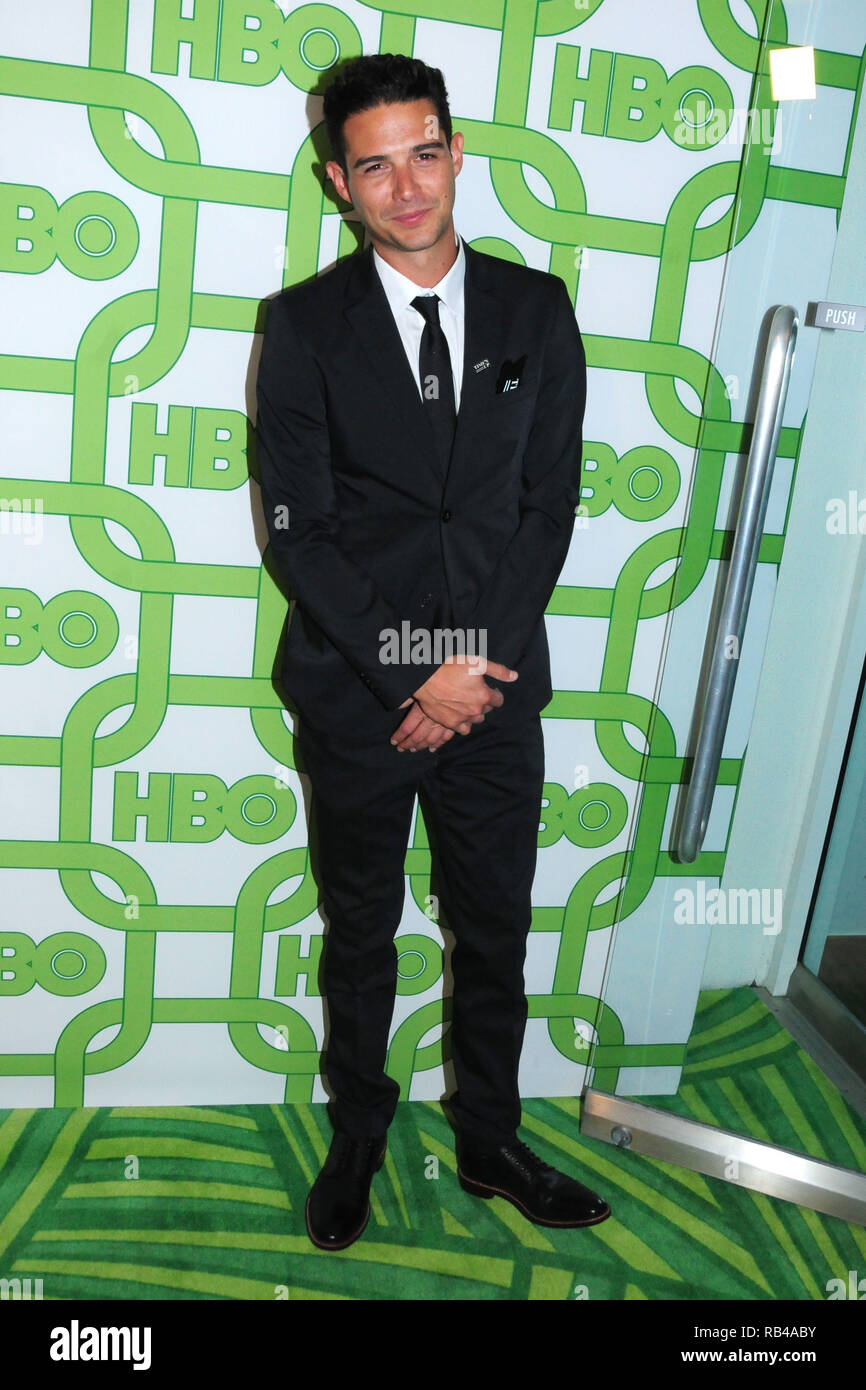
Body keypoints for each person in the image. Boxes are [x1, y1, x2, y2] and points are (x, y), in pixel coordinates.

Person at [255, 52, 610, 1251]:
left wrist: (469, 676)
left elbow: (543, 510)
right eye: (373, 165)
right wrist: (417, 673)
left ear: (456, 153)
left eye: (422, 151)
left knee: (494, 925)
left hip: (495, 690)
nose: (405, 186)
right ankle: (359, 1128)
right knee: (359, 928)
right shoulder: (300, 328)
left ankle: (490, 1139)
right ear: (336, 184)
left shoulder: (534, 309)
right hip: (364, 694)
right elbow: (300, 533)